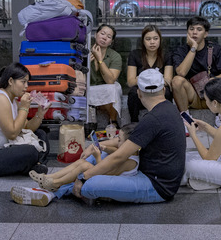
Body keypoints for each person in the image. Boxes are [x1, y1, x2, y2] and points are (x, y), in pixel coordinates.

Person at [11, 69, 186, 206]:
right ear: (164, 89)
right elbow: (126, 142)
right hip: (153, 175)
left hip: (155, 186)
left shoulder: (153, 119)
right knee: (100, 157)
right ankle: (51, 190)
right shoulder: (168, 110)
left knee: (90, 186)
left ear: (139, 93)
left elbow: (120, 155)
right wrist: (99, 146)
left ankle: (53, 190)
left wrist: (82, 178)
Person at [0, 63, 50, 177]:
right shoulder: (0, 99)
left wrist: (40, 113)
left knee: (41, 133)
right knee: (30, 151)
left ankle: (37, 164)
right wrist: (24, 107)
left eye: (27, 82)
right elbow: (12, 134)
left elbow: (27, 127)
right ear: (11, 81)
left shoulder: (13, 101)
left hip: (3, 149)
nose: (26, 86)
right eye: (23, 82)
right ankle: (33, 165)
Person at [29, 123, 139, 191]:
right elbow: (116, 151)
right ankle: (50, 177)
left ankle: (56, 183)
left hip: (108, 178)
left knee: (85, 165)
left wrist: (97, 157)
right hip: (107, 172)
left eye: (119, 140)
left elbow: (105, 173)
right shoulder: (129, 153)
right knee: (82, 162)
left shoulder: (130, 162)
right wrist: (104, 147)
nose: (117, 141)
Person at [172, 16, 221, 112]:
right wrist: (193, 48)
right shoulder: (181, 50)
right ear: (187, 32)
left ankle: (220, 114)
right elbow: (181, 73)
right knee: (177, 81)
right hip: (193, 96)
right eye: (191, 29)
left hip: (213, 95)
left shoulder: (216, 49)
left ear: (205, 34)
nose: (194, 32)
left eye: (199, 29)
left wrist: (213, 80)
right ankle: (185, 118)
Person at [126, 25, 173, 122]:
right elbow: (130, 82)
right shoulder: (135, 54)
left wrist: (142, 78)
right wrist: (157, 79)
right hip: (141, 90)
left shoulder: (166, 55)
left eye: (155, 38)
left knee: (167, 92)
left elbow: (168, 80)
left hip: (158, 91)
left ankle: (166, 121)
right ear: (143, 41)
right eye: (148, 39)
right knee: (133, 93)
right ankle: (134, 122)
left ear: (160, 40)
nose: (152, 42)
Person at [87, 24, 123, 127]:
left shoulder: (115, 56)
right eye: (102, 33)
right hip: (88, 88)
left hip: (105, 87)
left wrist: (100, 60)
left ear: (111, 42)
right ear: (95, 34)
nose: (104, 37)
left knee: (114, 87)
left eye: (108, 36)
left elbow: (110, 81)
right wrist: (85, 62)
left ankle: (113, 121)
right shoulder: (85, 52)